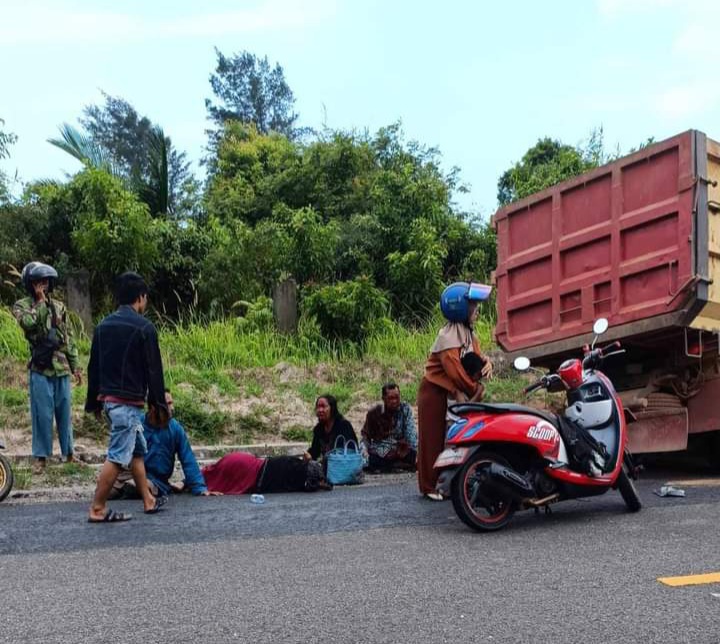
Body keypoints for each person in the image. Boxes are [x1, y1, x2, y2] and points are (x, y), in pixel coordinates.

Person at [85, 272, 169, 523]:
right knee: (119, 455)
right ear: (141, 298)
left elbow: (93, 367)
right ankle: (98, 507)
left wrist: (94, 402)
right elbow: (154, 370)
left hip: (110, 401)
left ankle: (148, 499)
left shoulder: (102, 326)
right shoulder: (145, 327)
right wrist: (159, 404)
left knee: (137, 452)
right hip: (128, 403)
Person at [417, 282, 494, 501]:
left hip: (451, 392)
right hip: (434, 392)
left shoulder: (467, 333)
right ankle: (429, 486)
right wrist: (475, 390)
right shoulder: (448, 337)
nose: (477, 310)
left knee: (453, 438)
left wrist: (488, 363)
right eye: (473, 305)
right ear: (460, 307)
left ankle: (450, 482)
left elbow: (478, 356)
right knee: (432, 439)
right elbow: (456, 374)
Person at [12, 262, 82, 473]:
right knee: (41, 414)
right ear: (29, 284)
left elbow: (67, 337)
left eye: (45, 282)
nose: (41, 286)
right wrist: (41, 303)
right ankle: (40, 458)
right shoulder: (21, 306)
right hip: (40, 368)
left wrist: (75, 365)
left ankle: (69, 454)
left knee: (64, 412)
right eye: (37, 282)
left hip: (60, 367)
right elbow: (29, 324)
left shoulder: (59, 307)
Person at [110, 391, 221, 500]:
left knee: (140, 486)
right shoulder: (137, 424)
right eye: (167, 404)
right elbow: (118, 452)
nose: (172, 408)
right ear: (153, 408)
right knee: (106, 490)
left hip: (155, 480)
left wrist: (200, 489)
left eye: (172, 403)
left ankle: (132, 489)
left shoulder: (176, 429)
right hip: (129, 473)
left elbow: (188, 460)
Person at [200, 452, 331, 495]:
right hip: (258, 469)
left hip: (259, 467)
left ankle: (317, 477)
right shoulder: (219, 477)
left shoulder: (215, 476)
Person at [361, 382, 417, 472]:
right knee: (371, 460)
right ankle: (396, 466)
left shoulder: (405, 409)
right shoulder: (374, 412)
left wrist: (412, 449)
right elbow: (365, 435)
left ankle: (395, 466)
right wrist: (364, 451)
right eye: (390, 398)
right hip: (380, 451)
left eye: (397, 398)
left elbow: (411, 434)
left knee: (414, 456)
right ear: (383, 399)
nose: (394, 401)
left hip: (400, 450)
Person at [303, 394, 358, 467]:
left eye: (323, 406)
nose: (320, 410)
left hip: (343, 467)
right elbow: (315, 451)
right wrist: (308, 455)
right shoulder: (319, 429)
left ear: (332, 408)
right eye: (318, 407)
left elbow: (350, 451)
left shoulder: (343, 426)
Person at [446, 352, 487, 424]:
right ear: (468, 372)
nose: (479, 378)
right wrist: (478, 394)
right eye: (478, 375)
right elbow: (464, 410)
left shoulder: (471, 385)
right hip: (453, 422)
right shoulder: (457, 388)